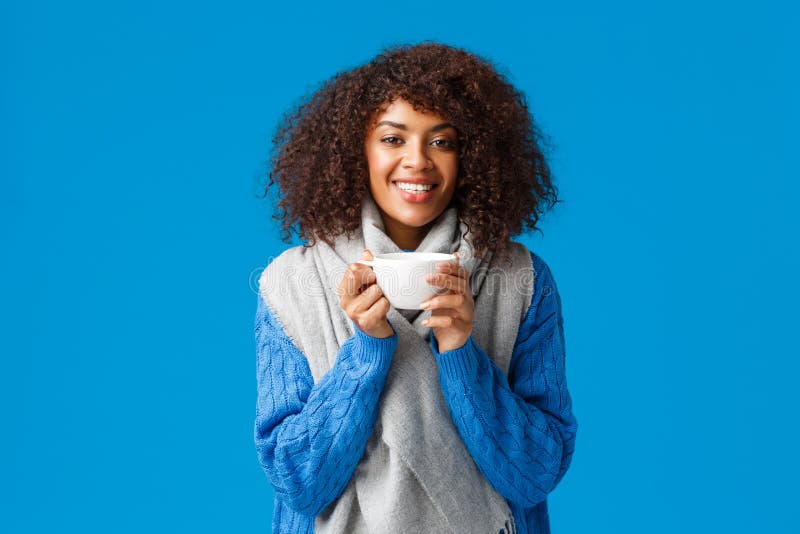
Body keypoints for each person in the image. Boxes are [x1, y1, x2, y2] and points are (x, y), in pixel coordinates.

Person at [254, 41, 577, 534]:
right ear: (355, 149)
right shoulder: (291, 284)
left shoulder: (522, 280)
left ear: (471, 154)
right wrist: (366, 354)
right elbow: (299, 481)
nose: (418, 161)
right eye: (392, 139)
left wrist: (461, 351)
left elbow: (535, 474)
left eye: (441, 141)